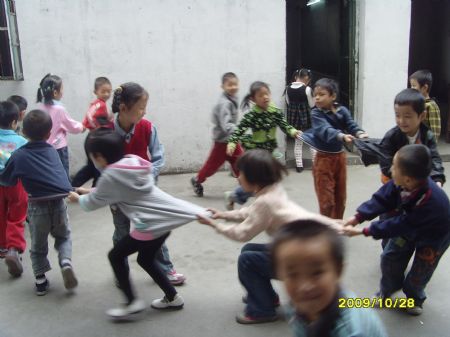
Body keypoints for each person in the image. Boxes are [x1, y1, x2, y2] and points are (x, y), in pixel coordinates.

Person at [68, 129, 210, 319]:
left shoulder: (109, 176)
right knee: (145, 259)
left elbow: (94, 202)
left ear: (100, 157)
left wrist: (78, 199)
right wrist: (88, 190)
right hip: (162, 224)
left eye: (92, 157)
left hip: (148, 227)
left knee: (115, 256)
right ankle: (172, 297)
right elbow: (114, 189)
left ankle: (131, 302)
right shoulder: (131, 162)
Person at [198, 149, 339, 324]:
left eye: (241, 173)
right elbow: (251, 212)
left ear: (254, 178)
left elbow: (242, 233)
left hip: (298, 262)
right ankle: (266, 297)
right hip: (296, 250)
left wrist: (214, 225)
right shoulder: (272, 190)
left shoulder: (265, 202)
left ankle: (261, 310)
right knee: (249, 251)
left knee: (247, 261)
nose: (238, 177)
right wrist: (222, 215)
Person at [342, 144, 450, 316]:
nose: (390, 169)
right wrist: (357, 217)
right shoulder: (401, 184)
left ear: (408, 179)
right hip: (410, 225)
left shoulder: (430, 202)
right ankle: (386, 293)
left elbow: (399, 225)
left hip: (435, 235)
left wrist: (365, 231)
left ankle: (414, 298)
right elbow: (381, 199)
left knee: (421, 270)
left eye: (394, 166)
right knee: (390, 257)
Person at [109, 82, 185, 285]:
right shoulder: (107, 131)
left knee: (154, 230)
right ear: (124, 108)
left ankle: (166, 268)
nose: (145, 112)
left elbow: (158, 159)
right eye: (141, 107)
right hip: (118, 195)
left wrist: (145, 179)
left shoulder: (148, 127)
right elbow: (102, 166)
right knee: (122, 233)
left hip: (144, 192)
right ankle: (121, 271)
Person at [0, 109, 78, 295]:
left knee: (38, 245)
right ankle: (65, 261)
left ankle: (41, 282)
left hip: (36, 207)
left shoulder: (18, 155)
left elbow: (7, 180)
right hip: (59, 203)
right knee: (63, 236)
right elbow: (61, 176)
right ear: (49, 134)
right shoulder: (52, 150)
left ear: (23, 131)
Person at [272, 219, 387, 337]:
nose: (304, 286)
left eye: (316, 273)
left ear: (338, 271)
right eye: (292, 274)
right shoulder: (295, 306)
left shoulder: (352, 331)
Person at [224, 81, 301, 209]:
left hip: (269, 152)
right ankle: (240, 197)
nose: (265, 97)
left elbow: (284, 125)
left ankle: (244, 198)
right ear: (253, 99)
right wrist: (232, 143)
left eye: (267, 94)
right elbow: (239, 129)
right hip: (256, 153)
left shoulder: (275, 112)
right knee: (258, 181)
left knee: (266, 181)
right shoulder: (251, 115)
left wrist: (293, 131)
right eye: (260, 95)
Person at [302, 78, 368, 219]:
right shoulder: (316, 113)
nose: (317, 98)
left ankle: (336, 227)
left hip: (340, 158)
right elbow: (324, 130)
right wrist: (341, 136)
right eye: (315, 95)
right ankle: (325, 228)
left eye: (322, 94)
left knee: (340, 199)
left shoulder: (342, 110)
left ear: (333, 96)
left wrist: (359, 133)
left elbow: (351, 124)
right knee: (326, 202)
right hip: (323, 160)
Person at [190, 72, 243, 197]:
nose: (233, 87)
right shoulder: (225, 103)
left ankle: (245, 185)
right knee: (212, 166)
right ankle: (197, 180)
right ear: (222, 87)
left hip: (231, 140)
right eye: (229, 85)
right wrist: (238, 131)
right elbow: (226, 124)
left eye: (235, 84)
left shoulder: (232, 98)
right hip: (222, 142)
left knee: (240, 162)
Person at [378, 88, 445, 186]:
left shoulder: (427, 135)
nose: (401, 121)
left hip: (418, 180)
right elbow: (385, 163)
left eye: (407, 116)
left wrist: (437, 179)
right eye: (397, 115)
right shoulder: (391, 137)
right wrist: (401, 178)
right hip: (394, 181)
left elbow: (434, 159)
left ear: (422, 116)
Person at [36, 73, 85, 178]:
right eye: (62, 89)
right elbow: (71, 126)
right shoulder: (59, 109)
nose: (63, 92)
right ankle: (64, 192)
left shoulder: (39, 107)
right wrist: (82, 127)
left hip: (43, 147)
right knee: (62, 174)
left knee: (49, 174)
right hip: (58, 148)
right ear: (55, 92)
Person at [0, 101, 28, 276]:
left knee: (1, 215)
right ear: (13, 122)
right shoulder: (21, 142)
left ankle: (3, 246)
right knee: (17, 216)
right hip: (15, 183)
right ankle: (13, 249)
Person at [72, 77, 113, 188]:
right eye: (103, 91)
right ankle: (96, 188)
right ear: (96, 92)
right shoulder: (100, 104)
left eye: (109, 91)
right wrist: (97, 129)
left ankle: (74, 186)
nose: (106, 94)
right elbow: (90, 116)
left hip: (93, 138)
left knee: (91, 166)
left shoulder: (98, 104)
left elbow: (90, 116)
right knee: (98, 165)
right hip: (95, 139)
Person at [285, 68, 315, 172]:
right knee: (312, 142)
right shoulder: (307, 89)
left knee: (298, 142)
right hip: (306, 118)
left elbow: (288, 103)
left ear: (295, 76)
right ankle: (315, 165)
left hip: (294, 119)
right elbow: (312, 104)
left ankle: (299, 166)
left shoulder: (287, 88)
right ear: (307, 79)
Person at [409, 70, 441, 142]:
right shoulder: (416, 103)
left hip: (425, 146)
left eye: (414, 85)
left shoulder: (431, 106)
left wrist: (431, 147)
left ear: (424, 88)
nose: (411, 88)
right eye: (411, 85)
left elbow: (435, 130)